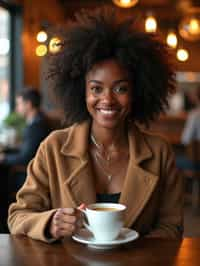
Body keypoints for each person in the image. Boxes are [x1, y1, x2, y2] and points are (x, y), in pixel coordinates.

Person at [8, 8, 183, 242]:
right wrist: (50, 222)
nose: (107, 99)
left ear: (137, 92)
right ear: (81, 92)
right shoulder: (54, 147)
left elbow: (172, 227)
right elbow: (18, 216)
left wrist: (130, 250)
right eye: (96, 88)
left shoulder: (159, 153)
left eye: (121, 88)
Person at [0, 89, 50, 190]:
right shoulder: (37, 121)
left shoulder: (36, 126)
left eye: (19, 104)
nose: (17, 108)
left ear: (28, 104)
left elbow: (26, 157)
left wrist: (4, 158)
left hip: (30, 175)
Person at [176, 86, 200, 170]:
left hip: (196, 160)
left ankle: (189, 182)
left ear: (196, 96)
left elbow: (185, 139)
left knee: (171, 159)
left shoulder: (194, 115)